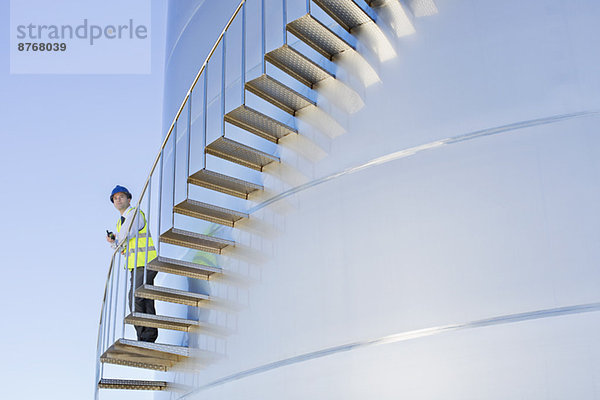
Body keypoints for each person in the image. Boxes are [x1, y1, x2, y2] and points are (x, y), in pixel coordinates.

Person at [106, 185, 159, 343]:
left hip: (145, 262)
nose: (118, 200)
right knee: (145, 299)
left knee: (135, 297)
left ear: (129, 199)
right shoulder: (119, 223)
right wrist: (114, 242)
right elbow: (122, 244)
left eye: (121, 196)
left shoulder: (134, 214)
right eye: (115, 198)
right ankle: (148, 336)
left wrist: (116, 241)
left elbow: (127, 234)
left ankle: (145, 336)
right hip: (136, 266)